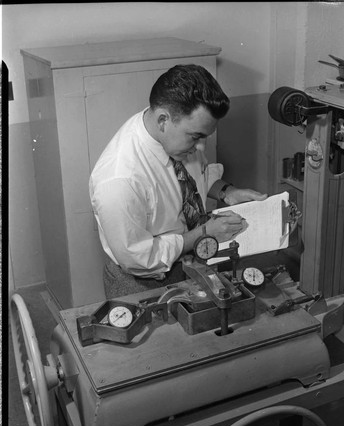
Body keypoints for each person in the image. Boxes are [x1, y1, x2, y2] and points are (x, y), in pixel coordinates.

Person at [89, 64, 267, 299]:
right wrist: (203, 233)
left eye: (204, 137)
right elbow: (141, 259)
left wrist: (226, 192)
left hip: (194, 261)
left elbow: (192, 175)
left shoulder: (171, 133)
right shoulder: (119, 180)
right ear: (163, 120)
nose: (200, 147)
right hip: (145, 281)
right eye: (196, 137)